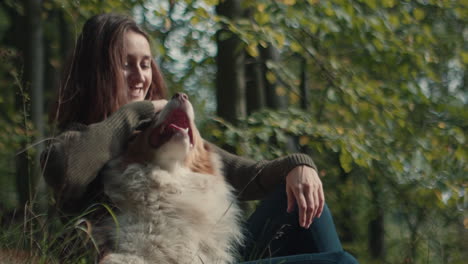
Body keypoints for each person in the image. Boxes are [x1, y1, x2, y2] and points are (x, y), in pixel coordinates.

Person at [41, 13, 358, 264]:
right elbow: (62, 168)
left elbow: (250, 174)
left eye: (145, 64)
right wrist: (137, 111)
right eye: (126, 65)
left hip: (210, 255)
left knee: (307, 201)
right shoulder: (85, 141)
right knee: (339, 261)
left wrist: (299, 164)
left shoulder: (166, 132)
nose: (140, 76)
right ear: (98, 71)